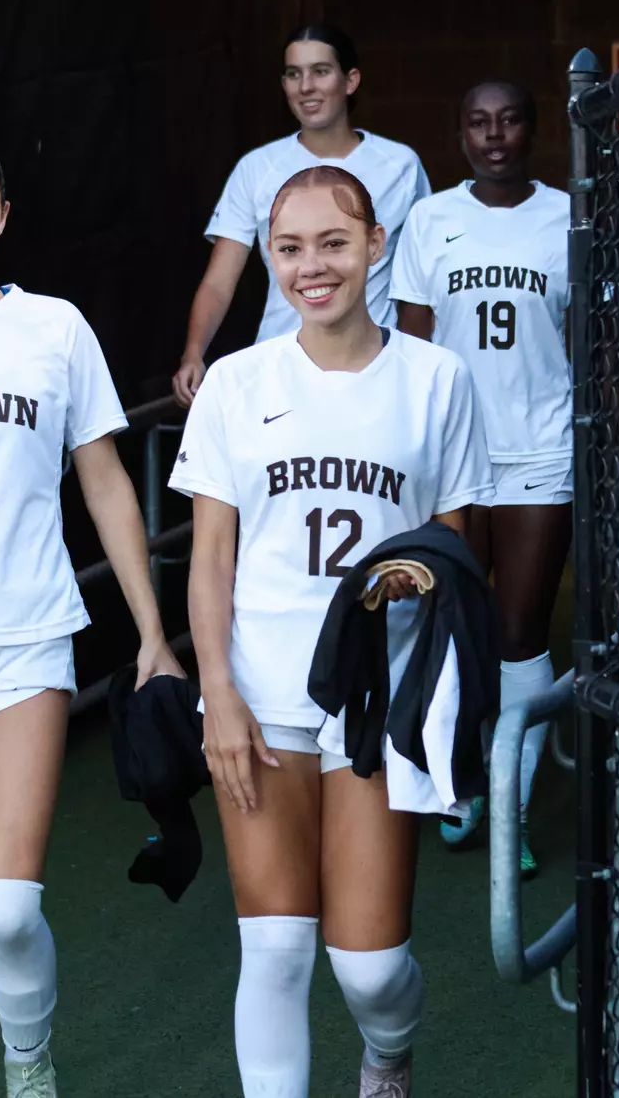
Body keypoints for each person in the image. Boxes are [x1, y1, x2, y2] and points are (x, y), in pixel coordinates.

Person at [169, 165, 493, 1098]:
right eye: (290, 248)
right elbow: (212, 557)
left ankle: (388, 1053)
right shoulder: (237, 382)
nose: (311, 266)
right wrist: (216, 693)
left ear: (376, 245)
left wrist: (420, 573)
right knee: (274, 952)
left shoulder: (437, 379)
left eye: (334, 243)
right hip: (261, 691)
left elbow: (456, 544)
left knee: (369, 969)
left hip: (378, 697)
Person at [0, 133, 183, 1098]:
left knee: (6, 909)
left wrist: (152, 632)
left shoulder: (54, 327)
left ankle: (28, 1063)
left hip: (25, 637)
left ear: (4, 217)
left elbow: (105, 481)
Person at [390, 81, 572, 878]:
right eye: (478, 123)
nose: (495, 136)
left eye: (510, 121)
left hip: (541, 449)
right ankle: (459, 784)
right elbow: (411, 350)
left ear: (532, 130)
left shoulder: (568, 215)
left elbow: (589, 342)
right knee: (454, 626)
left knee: (521, 633)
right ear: (460, 134)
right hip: (455, 454)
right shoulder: (431, 220)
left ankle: (512, 807)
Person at [171, 22, 430, 408]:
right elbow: (220, 281)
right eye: (294, 74)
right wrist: (193, 352)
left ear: (350, 80)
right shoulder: (257, 168)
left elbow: (419, 282)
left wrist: (416, 363)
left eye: (320, 71)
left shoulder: (401, 165)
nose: (305, 86)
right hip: (279, 371)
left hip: (373, 370)